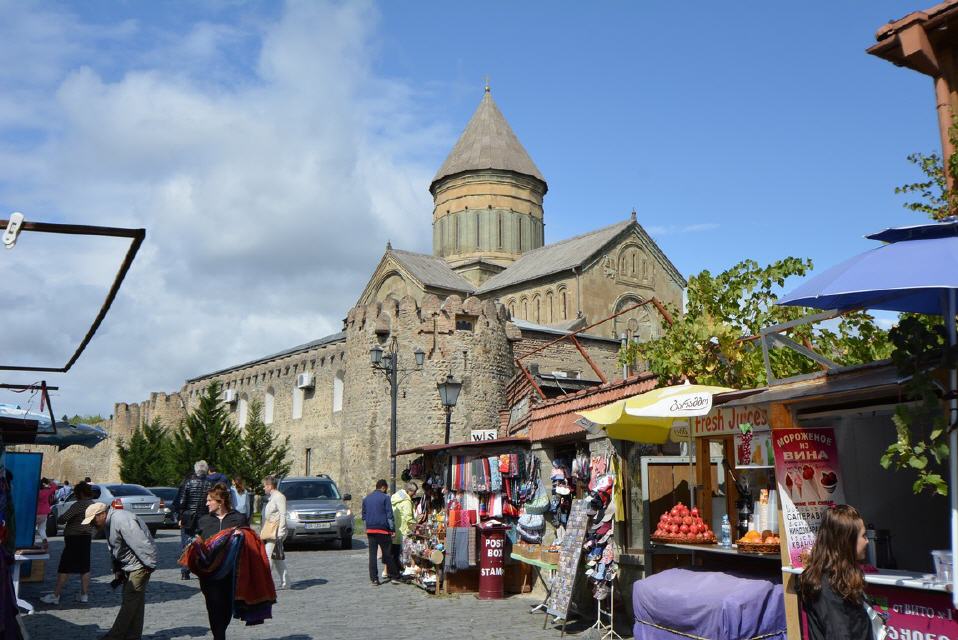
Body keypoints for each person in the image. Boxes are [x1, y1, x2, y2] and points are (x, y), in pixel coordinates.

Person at [83, 500, 157, 640]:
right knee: (135, 602)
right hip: (131, 565)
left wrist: (149, 565)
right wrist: (117, 568)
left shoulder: (121, 519)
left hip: (139, 565)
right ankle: (133, 636)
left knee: (130, 600)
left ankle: (115, 636)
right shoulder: (109, 522)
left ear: (102, 514)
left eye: (93, 520)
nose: (92, 524)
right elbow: (114, 547)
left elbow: (140, 543)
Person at [799, 504, 873, 640]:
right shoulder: (827, 588)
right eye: (863, 536)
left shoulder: (840, 579)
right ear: (846, 542)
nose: (867, 541)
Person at [195, 483, 248, 640]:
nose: (206, 503)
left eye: (209, 500)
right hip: (208, 573)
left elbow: (250, 541)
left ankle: (220, 634)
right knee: (213, 606)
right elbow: (199, 541)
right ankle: (219, 637)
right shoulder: (204, 520)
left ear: (220, 501)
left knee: (225, 607)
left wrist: (241, 535)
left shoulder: (238, 518)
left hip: (230, 572)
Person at [40, 482, 96, 605]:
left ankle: (56, 595)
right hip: (86, 537)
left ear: (80, 493)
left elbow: (63, 519)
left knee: (65, 567)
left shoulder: (79, 505)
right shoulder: (93, 505)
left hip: (74, 538)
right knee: (84, 567)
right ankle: (84, 595)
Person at [172, 460, 213, 579]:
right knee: (203, 544)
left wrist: (180, 516)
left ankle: (185, 570)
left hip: (188, 517)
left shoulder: (188, 483)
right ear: (206, 470)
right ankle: (202, 568)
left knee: (186, 543)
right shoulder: (211, 484)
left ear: (196, 470)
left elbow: (181, 502)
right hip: (204, 517)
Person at [363, 479, 400, 586]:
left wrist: (367, 528)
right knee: (388, 554)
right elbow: (389, 515)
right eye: (386, 489)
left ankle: (374, 579)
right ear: (383, 487)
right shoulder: (385, 498)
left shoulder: (366, 499)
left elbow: (364, 516)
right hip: (383, 530)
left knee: (372, 555)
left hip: (371, 530)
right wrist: (392, 529)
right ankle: (394, 576)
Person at [261, 475, 289, 589]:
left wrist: (281, 531)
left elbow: (283, 514)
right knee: (276, 558)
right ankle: (286, 582)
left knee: (268, 556)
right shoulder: (272, 497)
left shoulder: (279, 497)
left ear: (269, 485)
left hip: (276, 532)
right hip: (271, 529)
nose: (263, 488)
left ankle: (265, 582)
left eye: (264, 486)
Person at [390, 481, 418, 580]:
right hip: (404, 529)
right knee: (406, 551)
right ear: (409, 490)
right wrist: (416, 524)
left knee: (396, 552)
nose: (414, 495)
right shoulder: (406, 501)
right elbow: (408, 517)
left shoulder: (396, 498)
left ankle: (394, 572)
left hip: (396, 528)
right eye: (414, 492)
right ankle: (406, 571)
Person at [36, 478, 57, 547]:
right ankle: (44, 540)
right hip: (44, 512)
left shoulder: (34, 492)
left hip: (35, 513)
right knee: (42, 528)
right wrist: (48, 481)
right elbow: (54, 486)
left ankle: (30, 542)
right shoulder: (46, 491)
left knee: (31, 529)